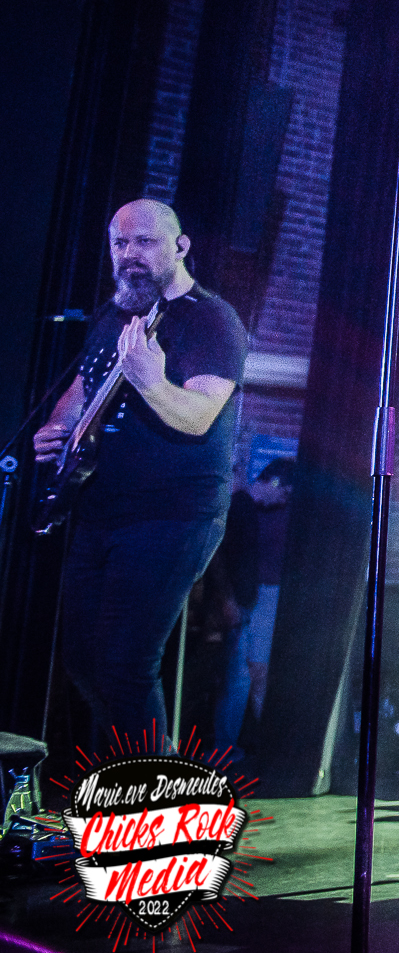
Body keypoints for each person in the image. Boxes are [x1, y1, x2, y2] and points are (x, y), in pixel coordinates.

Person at [33, 199, 249, 756]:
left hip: (173, 516)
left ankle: (158, 793)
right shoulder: (113, 317)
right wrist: (56, 431)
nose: (130, 254)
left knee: (125, 664)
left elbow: (198, 417)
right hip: (99, 510)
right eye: (120, 243)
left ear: (180, 247)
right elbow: (81, 389)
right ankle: (138, 774)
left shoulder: (211, 319)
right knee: (83, 660)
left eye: (145, 242)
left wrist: (150, 380)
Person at [212, 457, 294, 746]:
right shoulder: (242, 506)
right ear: (275, 483)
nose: (285, 499)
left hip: (262, 595)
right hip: (249, 595)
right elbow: (225, 557)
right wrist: (228, 598)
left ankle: (252, 746)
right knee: (241, 675)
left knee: (252, 673)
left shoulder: (270, 510)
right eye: (285, 493)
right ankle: (229, 747)